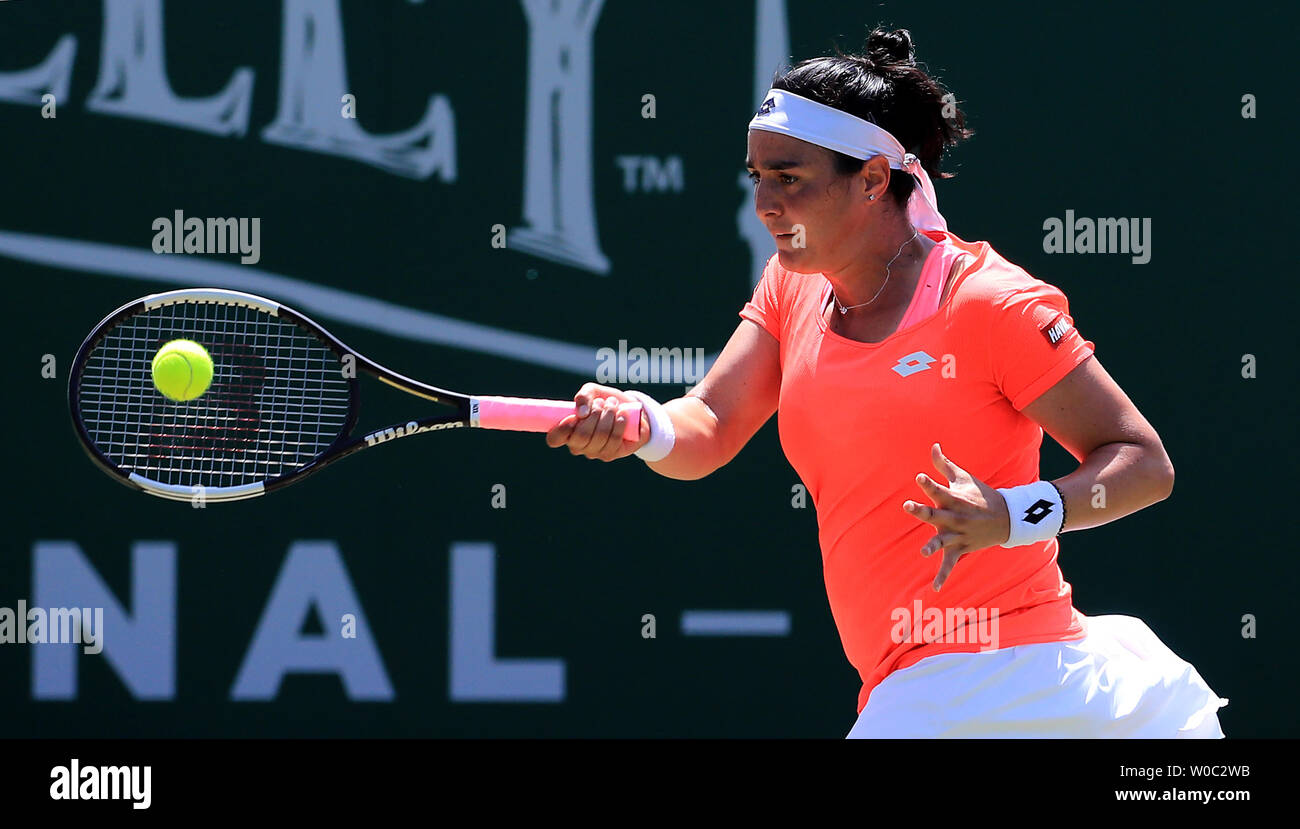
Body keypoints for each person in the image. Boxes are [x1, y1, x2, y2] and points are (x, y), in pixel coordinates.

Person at [545, 27, 1227, 738]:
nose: (765, 206)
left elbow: (1144, 463)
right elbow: (709, 427)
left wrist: (1011, 513)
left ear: (873, 179)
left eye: (790, 178)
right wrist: (641, 423)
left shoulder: (990, 304)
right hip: (913, 688)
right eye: (757, 178)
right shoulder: (792, 286)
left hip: (1015, 678)